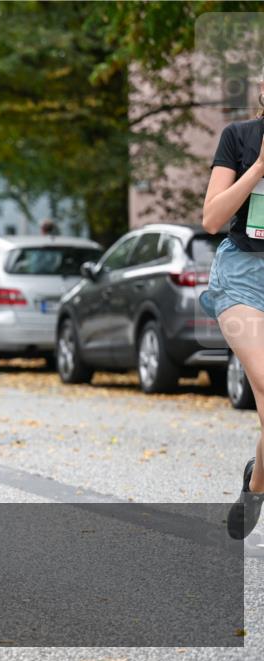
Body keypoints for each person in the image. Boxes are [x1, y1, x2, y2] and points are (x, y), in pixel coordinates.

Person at [201, 67, 264, 540]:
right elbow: (212, 218)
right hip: (242, 274)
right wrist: (259, 168)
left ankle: (256, 485)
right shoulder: (238, 137)